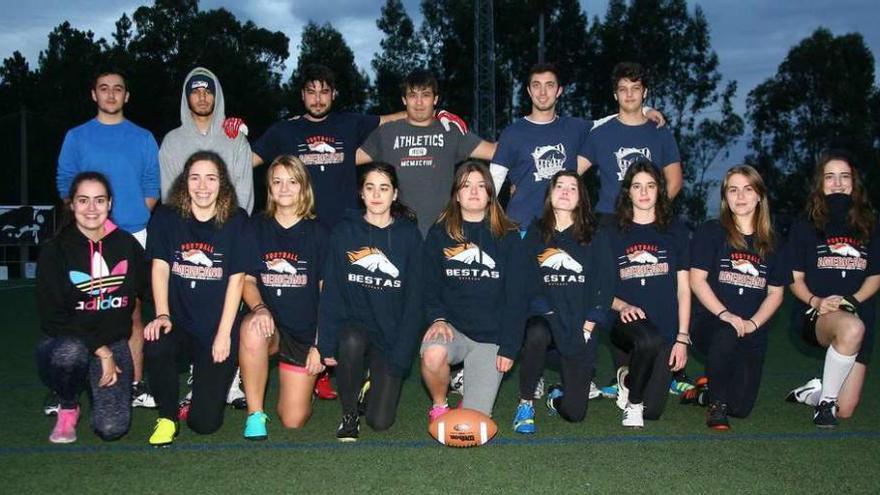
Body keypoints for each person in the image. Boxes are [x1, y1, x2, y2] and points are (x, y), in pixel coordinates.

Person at [56, 68, 159, 410]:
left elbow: (150, 185)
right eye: (104, 89)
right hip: (86, 235)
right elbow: (65, 182)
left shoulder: (143, 137)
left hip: (132, 233)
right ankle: (72, 387)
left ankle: (134, 383)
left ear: (127, 96)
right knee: (80, 307)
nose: (111, 95)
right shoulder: (77, 136)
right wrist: (89, 220)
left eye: (118, 89)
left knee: (131, 311)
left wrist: (129, 218)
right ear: (93, 94)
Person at [142, 151, 250, 446]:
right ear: (184, 181)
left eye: (211, 178)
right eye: (195, 177)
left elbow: (237, 279)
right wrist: (163, 315)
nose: (203, 186)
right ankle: (166, 416)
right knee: (155, 338)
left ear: (222, 183)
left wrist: (225, 334)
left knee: (205, 424)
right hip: (179, 323)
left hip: (215, 328)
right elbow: (160, 268)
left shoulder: (236, 220)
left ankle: (197, 397)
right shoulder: (166, 217)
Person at [317, 162, 424, 442]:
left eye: (384, 188)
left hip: (390, 335)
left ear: (395, 194)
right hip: (356, 328)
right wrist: (326, 344)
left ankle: (369, 386)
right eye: (370, 187)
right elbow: (332, 290)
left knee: (380, 422)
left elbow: (415, 303)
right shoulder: (344, 232)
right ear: (361, 194)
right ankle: (349, 414)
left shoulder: (409, 236)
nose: (377, 195)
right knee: (351, 340)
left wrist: (402, 354)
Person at [37, 172, 146, 443]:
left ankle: (90, 378)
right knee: (69, 353)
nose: (91, 209)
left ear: (109, 204)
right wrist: (101, 351)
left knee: (112, 428)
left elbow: (151, 288)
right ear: (71, 204)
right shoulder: (55, 250)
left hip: (113, 343)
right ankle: (68, 403)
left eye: (99, 200)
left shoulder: (125, 244)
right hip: (67, 342)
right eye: (83, 200)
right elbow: (52, 318)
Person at [490, 62, 665, 231]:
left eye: (549, 85)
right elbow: (493, 181)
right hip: (522, 226)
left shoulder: (574, 128)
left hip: (564, 229)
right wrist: (484, 226)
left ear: (559, 91)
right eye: (536, 85)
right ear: (529, 91)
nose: (542, 92)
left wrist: (644, 110)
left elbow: (612, 119)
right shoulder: (512, 133)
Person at [420, 162, 527, 419]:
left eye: (481, 186)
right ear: (456, 194)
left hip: (491, 338)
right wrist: (438, 318)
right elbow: (427, 284)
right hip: (453, 329)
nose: (474, 192)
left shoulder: (508, 234)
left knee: (473, 419)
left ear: (491, 193)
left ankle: (469, 381)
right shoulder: (440, 232)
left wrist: (509, 347)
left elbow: (518, 297)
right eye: (466, 186)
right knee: (433, 354)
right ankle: (440, 405)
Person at [688, 165, 789, 430]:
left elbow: (776, 293)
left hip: (751, 327)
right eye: (733, 190)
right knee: (726, 332)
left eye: (748, 189)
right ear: (725, 196)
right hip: (711, 323)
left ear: (759, 196)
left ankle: (707, 391)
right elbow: (696, 281)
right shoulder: (711, 232)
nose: (740, 196)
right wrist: (726, 315)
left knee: (741, 408)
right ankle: (716, 406)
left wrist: (754, 324)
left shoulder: (773, 242)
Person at [783, 150, 879, 427]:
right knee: (851, 328)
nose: (837, 183)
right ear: (820, 184)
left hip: (859, 311)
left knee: (847, 408)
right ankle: (824, 406)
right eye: (830, 177)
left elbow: (875, 276)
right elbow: (795, 279)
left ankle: (815, 393)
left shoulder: (871, 223)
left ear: (854, 183)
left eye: (844, 177)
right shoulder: (806, 224)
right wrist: (816, 301)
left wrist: (851, 300)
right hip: (816, 315)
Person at [513, 170, 614, 433]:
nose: (566, 191)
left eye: (573, 187)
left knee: (575, 414)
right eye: (560, 186)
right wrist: (549, 315)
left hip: (580, 326)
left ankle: (556, 396)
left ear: (581, 198)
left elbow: (605, 285)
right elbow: (525, 284)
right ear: (549, 193)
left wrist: (589, 325)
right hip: (546, 320)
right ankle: (526, 402)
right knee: (536, 332)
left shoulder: (596, 235)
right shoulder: (535, 233)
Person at [239, 156, 329, 440]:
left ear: (304, 187)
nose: (285, 188)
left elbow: (327, 294)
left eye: (292, 181)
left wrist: (320, 344)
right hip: (271, 328)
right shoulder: (255, 227)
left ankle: (308, 383)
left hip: (304, 332)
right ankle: (255, 414)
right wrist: (260, 308)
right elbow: (247, 279)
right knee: (252, 328)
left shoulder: (320, 232)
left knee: (293, 420)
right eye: (277, 181)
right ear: (269, 188)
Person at [357, 70, 497, 235]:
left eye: (425, 95)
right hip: (397, 234)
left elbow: (496, 151)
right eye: (412, 95)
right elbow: (343, 160)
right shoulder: (386, 133)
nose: (419, 102)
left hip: (442, 233)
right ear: (404, 100)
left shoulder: (450, 131)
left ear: (435, 99)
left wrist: (528, 132)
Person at [605, 161, 691, 428]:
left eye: (650, 186)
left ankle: (628, 379)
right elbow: (597, 286)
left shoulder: (675, 230)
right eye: (637, 186)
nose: (643, 192)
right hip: (624, 323)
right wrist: (620, 306)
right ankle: (632, 406)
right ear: (627, 192)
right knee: (647, 340)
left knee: (653, 410)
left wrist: (682, 338)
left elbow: (684, 289)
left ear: (660, 191)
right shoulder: (611, 232)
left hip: (664, 327)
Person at [582, 62, 682, 221]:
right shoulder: (599, 134)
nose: (629, 95)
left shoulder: (660, 133)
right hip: (609, 221)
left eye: (635, 88)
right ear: (615, 94)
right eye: (623, 89)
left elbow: (675, 181)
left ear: (644, 92)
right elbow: (573, 172)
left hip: (649, 222)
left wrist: (654, 211)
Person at [160, 67, 254, 213]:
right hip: (185, 229)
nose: (202, 97)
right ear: (186, 97)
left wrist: (235, 227)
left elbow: (244, 192)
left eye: (208, 92)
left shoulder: (235, 138)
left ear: (217, 96)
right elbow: (169, 192)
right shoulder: (172, 141)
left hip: (228, 227)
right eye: (196, 92)